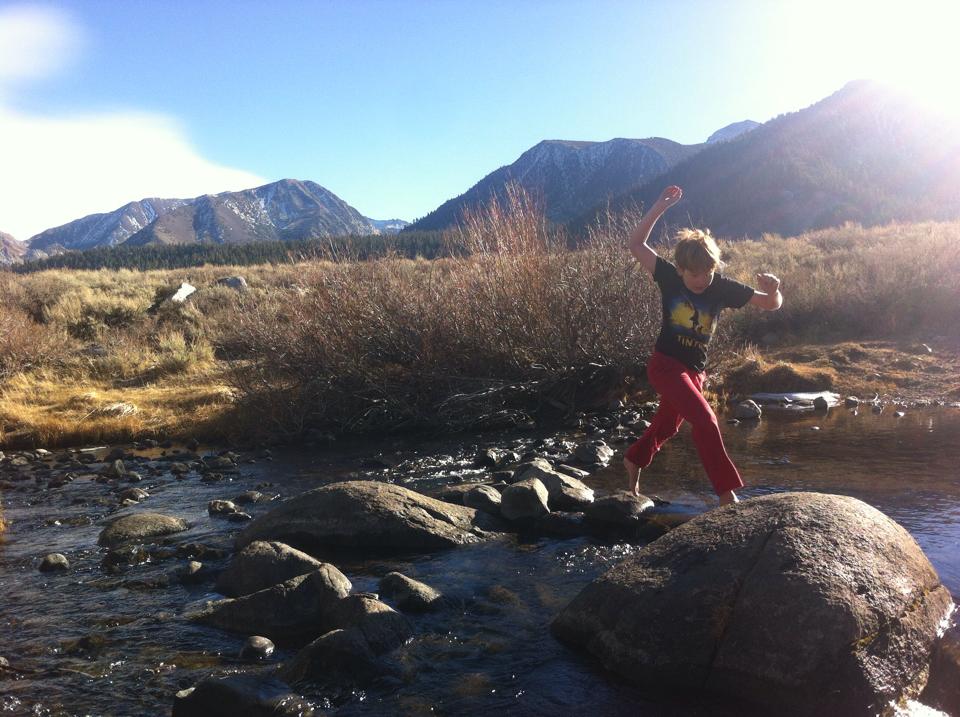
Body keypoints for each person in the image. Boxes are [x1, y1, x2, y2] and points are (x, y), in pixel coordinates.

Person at [623, 185, 782, 506]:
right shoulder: (669, 277)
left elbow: (770, 304)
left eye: (707, 273)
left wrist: (775, 289)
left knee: (666, 426)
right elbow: (635, 244)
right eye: (694, 274)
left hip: (695, 372)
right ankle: (727, 495)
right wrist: (659, 207)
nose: (701, 280)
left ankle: (633, 460)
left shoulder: (721, 287)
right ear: (681, 269)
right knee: (706, 420)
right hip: (665, 366)